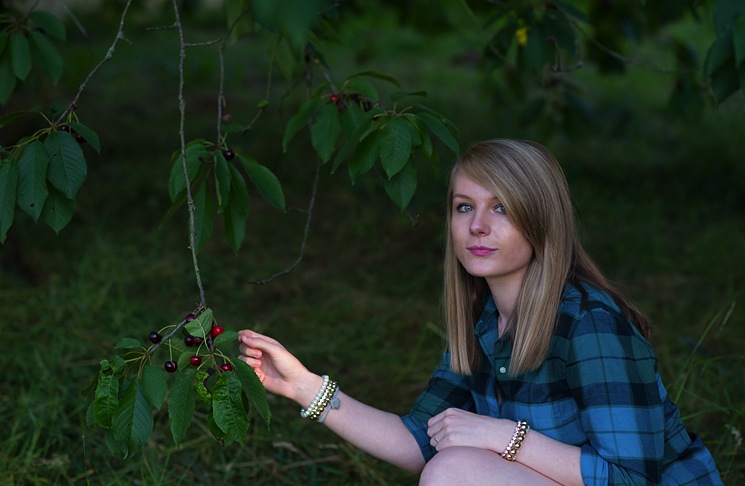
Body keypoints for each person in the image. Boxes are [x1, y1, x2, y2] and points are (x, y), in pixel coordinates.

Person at [238, 139, 723, 485]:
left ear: (540, 221)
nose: (478, 227)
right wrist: (303, 386)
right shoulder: (483, 323)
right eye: (464, 207)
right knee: (449, 466)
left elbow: (632, 478)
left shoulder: (590, 324)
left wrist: (505, 437)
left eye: (503, 209)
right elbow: (417, 444)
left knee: (456, 470)